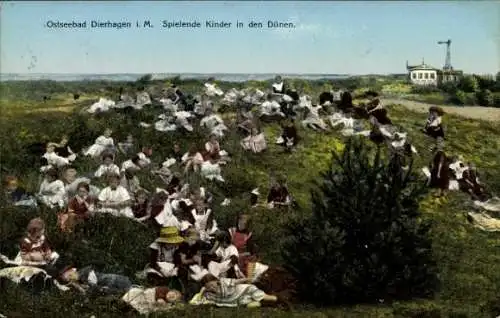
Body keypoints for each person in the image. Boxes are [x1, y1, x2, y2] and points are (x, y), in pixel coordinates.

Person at [198, 274, 278, 308]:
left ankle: (277, 298)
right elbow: (198, 298)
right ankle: (262, 303)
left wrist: (250, 279)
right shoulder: (209, 294)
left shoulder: (223, 282)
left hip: (243, 290)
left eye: (212, 285)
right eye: (209, 287)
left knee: (263, 296)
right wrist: (202, 291)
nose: (212, 288)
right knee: (248, 304)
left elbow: (238, 281)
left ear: (216, 281)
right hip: (237, 299)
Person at [58, 265, 133, 294]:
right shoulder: (81, 279)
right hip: (116, 287)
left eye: (68, 276)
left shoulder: (85, 273)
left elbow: (94, 287)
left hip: (119, 283)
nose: (68, 279)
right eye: (67, 279)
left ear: (72, 270)